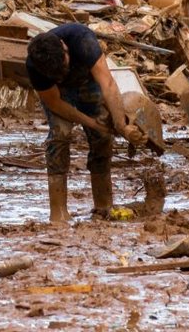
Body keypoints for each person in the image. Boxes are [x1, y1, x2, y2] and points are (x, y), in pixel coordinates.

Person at [26, 24, 146, 224]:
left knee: (102, 138)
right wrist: (92, 123)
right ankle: (58, 213)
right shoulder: (35, 65)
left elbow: (107, 84)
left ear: (64, 47)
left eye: (64, 66)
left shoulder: (82, 40)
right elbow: (55, 103)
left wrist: (121, 126)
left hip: (88, 83)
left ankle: (103, 206)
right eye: (58, 73)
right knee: (60, 135)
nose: (63, 73)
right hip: (59, 95)